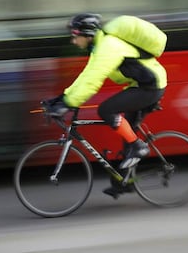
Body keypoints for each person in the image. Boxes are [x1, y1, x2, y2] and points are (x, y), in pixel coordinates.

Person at [45, 13, 167, 197]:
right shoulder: (99, 47)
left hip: (151, 87)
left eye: (75, 35)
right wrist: (62, 99)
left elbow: (93, 81)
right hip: (141, 86)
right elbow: (86, 77)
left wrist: (68, 103)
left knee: (106, 110)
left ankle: (139, 147)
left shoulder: (108, 47)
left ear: (87, 35)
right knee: (127, 132)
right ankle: (123, 182)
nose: (73, 41)